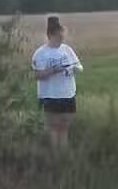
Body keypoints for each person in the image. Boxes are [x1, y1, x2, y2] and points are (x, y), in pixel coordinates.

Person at [32, 16, 84, 151]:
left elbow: (79, 67)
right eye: (58, 35)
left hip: (67, 94)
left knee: (65, 128)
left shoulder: (67, 50)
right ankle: (55, 156)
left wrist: (73, 69)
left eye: (62, 35)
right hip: (50, 95)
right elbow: (37, 75)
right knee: (54, 128)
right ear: (50, 35)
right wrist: (53, 70)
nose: (61, 38)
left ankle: (64, 156)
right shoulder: (41, 53)